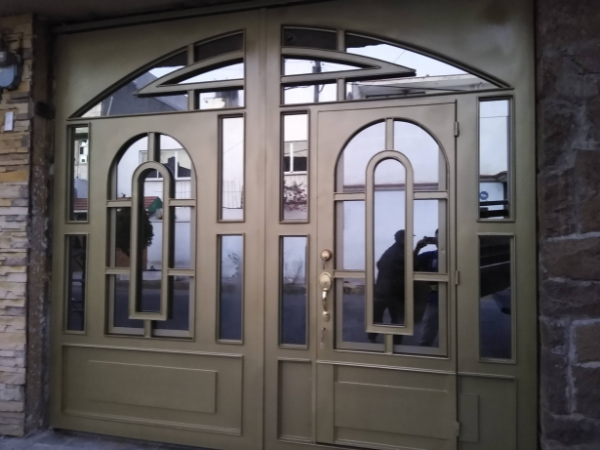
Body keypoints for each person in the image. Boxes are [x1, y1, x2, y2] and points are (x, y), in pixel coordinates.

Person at [368, 230, 406, 343]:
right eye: (407, 237)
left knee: (379, 316)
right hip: (392, 292)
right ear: (400, 238)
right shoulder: (399, 251)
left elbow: (379, 264)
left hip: (384, 290)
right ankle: (396, 341)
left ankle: (373, 336)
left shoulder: (392, 250)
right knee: (396, 318)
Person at [414, 229, 439, 346]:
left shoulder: (458, 255)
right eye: (437, 238)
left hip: (457, 296)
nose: (439, 241)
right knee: (429, 323)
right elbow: (411, 262)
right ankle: (424, 348)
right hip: (435, 298)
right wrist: (418, 247)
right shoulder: (431, 255)